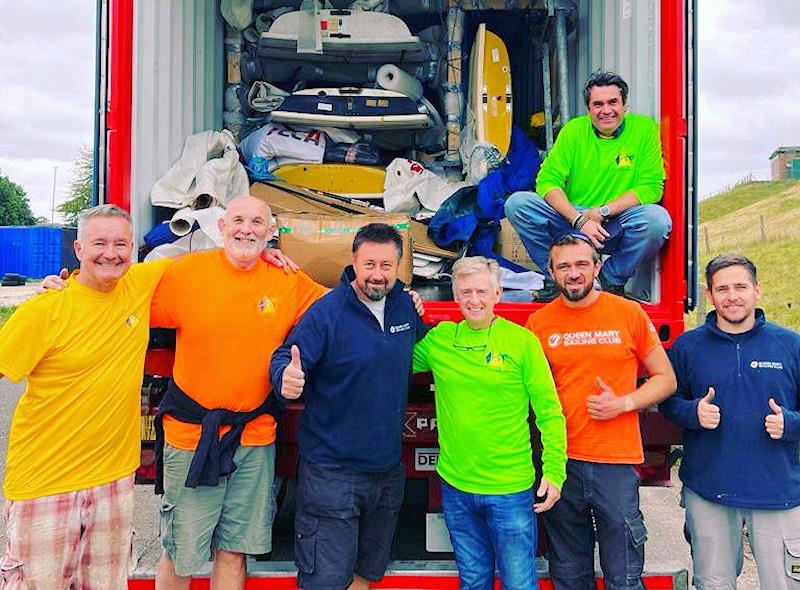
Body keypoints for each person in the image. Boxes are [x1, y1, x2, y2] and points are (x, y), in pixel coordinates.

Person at [150, 195, 328, 589]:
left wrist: (405, 300)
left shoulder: (287, 280)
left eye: (257, 222)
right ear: (222, 227)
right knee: (180, 554)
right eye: (238, 220)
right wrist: (66, 286)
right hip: (192, 439)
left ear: (272, 232)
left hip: (254, 438)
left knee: (234, 551)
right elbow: (120, 298)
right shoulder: (186, 273)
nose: (247, 229)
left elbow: (341, 307)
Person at [0, 205, 172, 588]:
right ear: (78, 249)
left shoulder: (138, 285)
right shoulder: (46, 309)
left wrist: (269, 253)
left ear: (132, 248)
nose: (110, 253)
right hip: (45, 485)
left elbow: (215, 258)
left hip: (113, 482)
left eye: (120, 244)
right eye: (99, 243)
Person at [269, 223, 427, 590]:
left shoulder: (405, 306)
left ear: (400, 268)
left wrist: (413, 299)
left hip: (386, 471)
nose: (377, 274)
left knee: (367, 574)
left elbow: (422, 341)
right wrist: (285, 378)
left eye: (387, 266)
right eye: (369, 264)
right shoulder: (327, 313)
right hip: (332, 472)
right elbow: (285, 357)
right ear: (353, 262)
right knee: (325, 579)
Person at [525, 233, 676, 590]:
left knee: (623, 575)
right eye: (563, 266)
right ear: (551, 272)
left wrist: (624, 403)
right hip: (561, 464)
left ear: (597, 266)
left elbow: (665, 379)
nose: (573, 273)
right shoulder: (539, 324)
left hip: (616, 463)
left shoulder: (628, 313)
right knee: (569, 573)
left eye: (581, 264)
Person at [412, 256, 567, 590]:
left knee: (519, 583)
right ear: (454, 295)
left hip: (509, 490)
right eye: (465, 291)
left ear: (498, 293)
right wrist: (402, 305)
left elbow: (549, 412)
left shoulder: (521, 342)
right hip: (456, 488)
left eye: (482, 291)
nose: (474, 300)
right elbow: (390, 357)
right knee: (473, 581)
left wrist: (554, 471)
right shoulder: (440, 341)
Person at [659, 254, 800, 590]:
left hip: (777, 491)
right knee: (713, 583)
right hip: (709, 490)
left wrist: (791, 423)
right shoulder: (688, 347)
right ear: (709, 295)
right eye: (722, 288)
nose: (732, 296)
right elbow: (667, 402)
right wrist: (693, 412)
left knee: (784, 584)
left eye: (740, 287)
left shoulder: (789, 345)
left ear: (757, 291)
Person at [505, 70, 672, 300]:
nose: (606, 110)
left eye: (613, 102)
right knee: (517, 203)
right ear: (588, 109)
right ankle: (556, 277)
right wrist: (579, 219)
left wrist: (602, 212)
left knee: (657, 220)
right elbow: (547, 180)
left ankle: (611, 279)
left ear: (625, 104)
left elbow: (652, 187)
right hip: (572, 218)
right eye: (598, 104)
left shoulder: (644, 130)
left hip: (615, 222)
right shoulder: (574, 130)